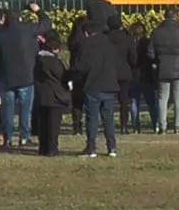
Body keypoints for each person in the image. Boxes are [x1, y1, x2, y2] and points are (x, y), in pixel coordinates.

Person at [74, 16, 124, 157]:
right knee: (108, 118)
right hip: (109, 85)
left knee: (92, 118)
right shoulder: (110, 44)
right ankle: (111, 147)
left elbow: (81, 66)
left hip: (92, 85)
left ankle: (91, 148)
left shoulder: (85, 44)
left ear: (87, 32)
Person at [0, 9, 39, 149]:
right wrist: (38, 11)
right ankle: (24, 137)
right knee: (25, 110)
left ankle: (7, 138)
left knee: (7, 110)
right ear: (19, 19)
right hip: (26, 76)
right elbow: (46, 24)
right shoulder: (28, 31)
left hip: (6, 77)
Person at [150, 12, 179, 134]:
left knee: (162, 98)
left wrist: (156, 61)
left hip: (162, 67)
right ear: (176, 17)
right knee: (178, 98)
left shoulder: (156, 32)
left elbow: (150, 52)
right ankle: (177, 126)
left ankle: (162, 126)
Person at [32, 35, 69, 156]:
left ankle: (43, 147)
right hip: (55, 96)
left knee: (43, 123)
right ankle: (52, 148)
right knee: (53, 125)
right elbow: (62, 76)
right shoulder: (54, 62)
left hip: (41, 95)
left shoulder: (37, 60)